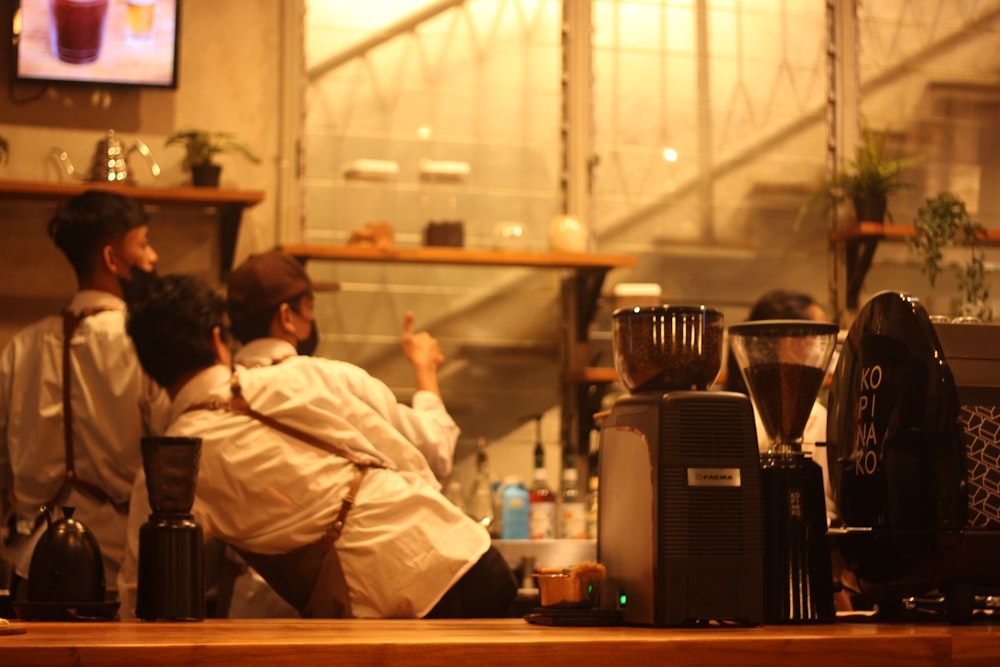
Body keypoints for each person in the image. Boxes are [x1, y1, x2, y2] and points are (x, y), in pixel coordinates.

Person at [118, 272, 517, 619]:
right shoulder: (303, 375)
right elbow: (407, 457)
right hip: (466, 553)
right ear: (217, 339)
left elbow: (141, 594)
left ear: (149, 369)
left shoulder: (174, 462)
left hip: (395, 601)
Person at [0, 190, 169, 601]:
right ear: (112, 259)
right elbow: (172, 458)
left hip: (31, 570)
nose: (154, 258)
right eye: (144, 243)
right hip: (119, 573)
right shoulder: (145, 342)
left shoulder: (21, 346)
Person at [226, 251, 457, 486]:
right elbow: (436, 450)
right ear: (287, 317)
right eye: (309, 308)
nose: (312, 320)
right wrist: (424, 368)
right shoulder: (332, 379)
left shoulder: (219, 392)